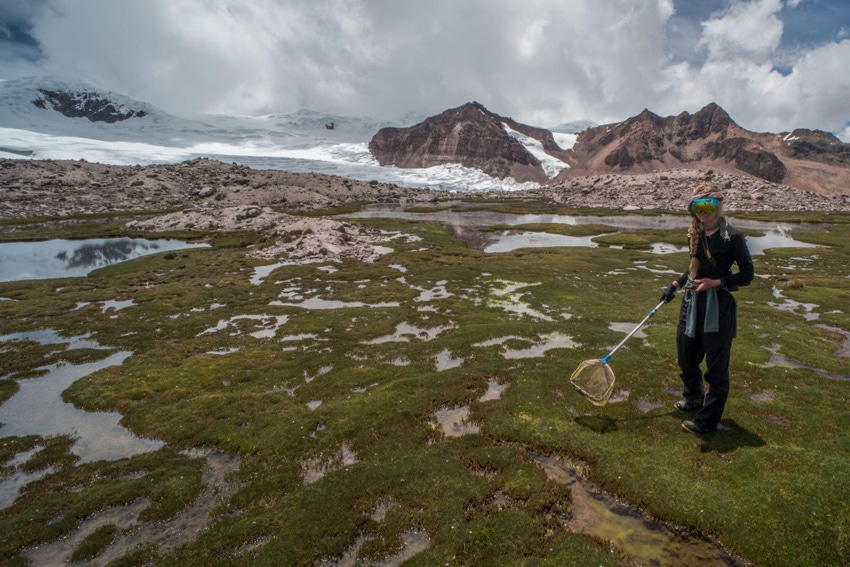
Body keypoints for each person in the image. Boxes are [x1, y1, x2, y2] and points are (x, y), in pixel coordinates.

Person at [659, 183, 754, 434]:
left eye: (708, 205)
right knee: (686, 357)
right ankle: (693, 398)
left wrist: (717, 282)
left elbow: (747, 275)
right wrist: (676, 283)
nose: (703, 212)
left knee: (716, 368)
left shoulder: (733, 237)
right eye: (697, 206)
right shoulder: (695, 235)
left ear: (718, 206)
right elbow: (695, 267)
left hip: (718, 308)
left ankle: (707, 421)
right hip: (691, 304)